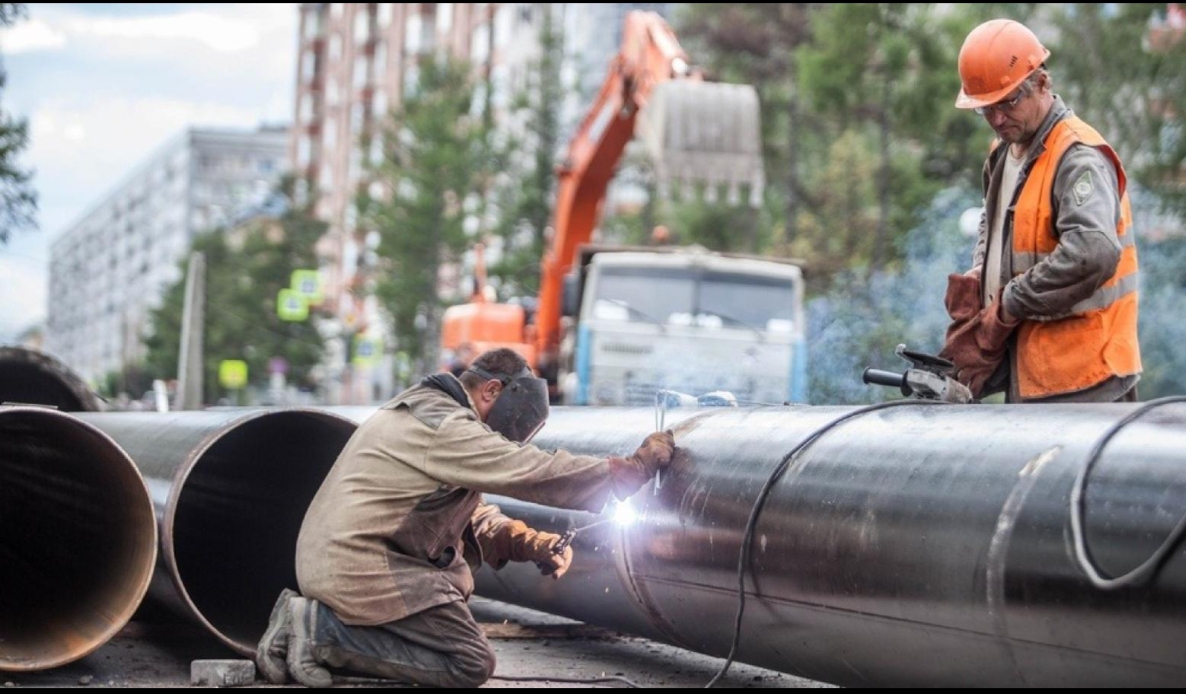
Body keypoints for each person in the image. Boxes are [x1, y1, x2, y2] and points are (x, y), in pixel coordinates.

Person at [255, 348, 675, 687]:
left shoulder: (427, 415)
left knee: (452, 648)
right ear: (491, 390)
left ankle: (317, 630)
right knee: (469, 662)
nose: (498, 441)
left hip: (345, 561)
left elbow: (467, 514)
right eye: (505, 432)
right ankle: (319, 632)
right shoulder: (444, 425)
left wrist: (529, 542)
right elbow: (530, 469)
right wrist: (628, 472)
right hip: (361, 568)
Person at [941, 18, 1141, 403]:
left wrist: (1011, 300)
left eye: (1008, 102)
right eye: (986, 109)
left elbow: (1093, 251)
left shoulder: (1077, 157)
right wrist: (983, 273)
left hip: (1086, 376)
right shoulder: (1004, 153)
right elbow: (997, 221)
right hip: (1037, 372)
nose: (997, 119)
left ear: (1043, 84)